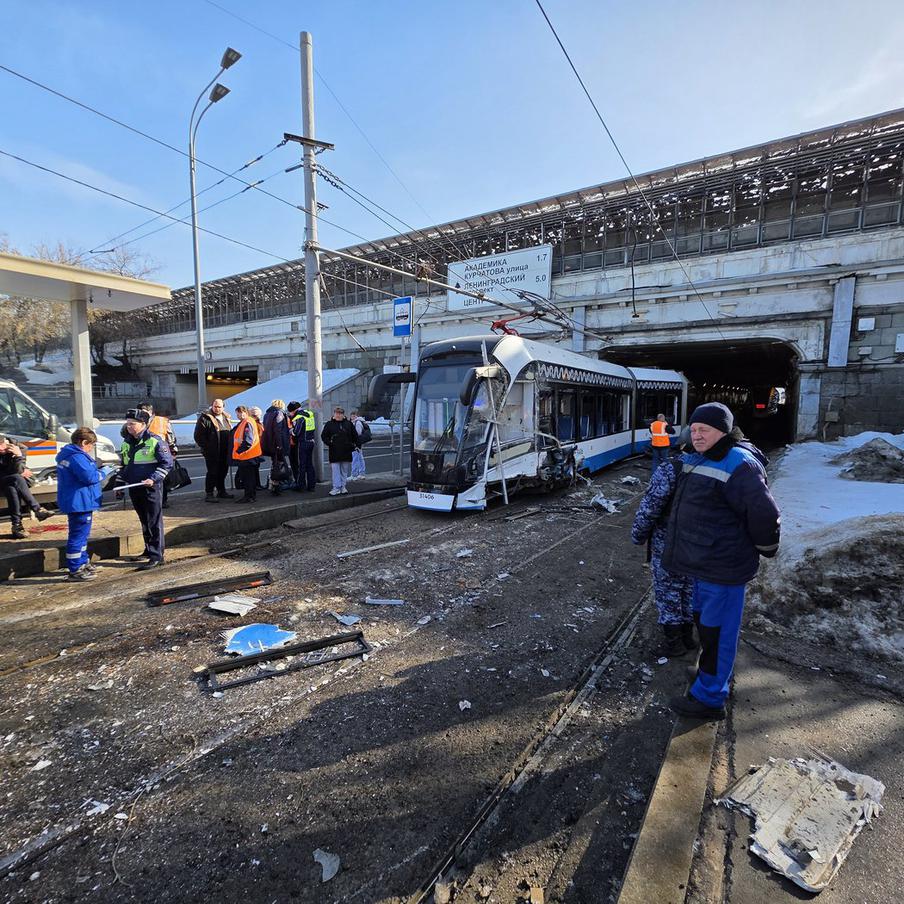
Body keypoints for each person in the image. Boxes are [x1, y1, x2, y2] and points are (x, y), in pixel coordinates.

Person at [661, 402, 781, 720]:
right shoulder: (703, 456)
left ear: (723, 432)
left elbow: (764, 513)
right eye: (695, 429)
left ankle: (710, 698)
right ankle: (708, 677)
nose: (697, 435)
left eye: (705, 430)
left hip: (723, 568)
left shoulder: (738, 463)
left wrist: (767, 546)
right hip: (705, 564)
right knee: (707, 627)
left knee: (719, 633)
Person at [631, 451, 695, 656]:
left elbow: (649, 509)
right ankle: (688, 637)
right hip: (699, 546)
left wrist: (638, 536)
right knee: (689, 590)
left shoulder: (671, 469)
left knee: (669, 592)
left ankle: (674, 644)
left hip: (669, 545)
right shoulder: (717, 469)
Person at [117, 408, 172, 570]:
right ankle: (149, 549)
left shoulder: (155, 441)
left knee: (154, 521)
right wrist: (119, 485)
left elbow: (166, 464)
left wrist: (153, 479)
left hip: (151, 487)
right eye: (127, 424)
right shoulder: (127, 443)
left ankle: (157, 555)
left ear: (143, 424)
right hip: (135, 487)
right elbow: (125, 466)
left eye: (132, 424)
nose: (129, 427)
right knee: (144, 520)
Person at [56, 427, 107, 581]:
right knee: (78, 536)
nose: (91, 448)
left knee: (82, 535)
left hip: (76, 500)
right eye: (91, 445)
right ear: (84, 442)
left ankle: (82, 561)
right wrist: (105, 472)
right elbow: (89, 477)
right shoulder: (77, 457)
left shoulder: (67, 454)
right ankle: (75, 568)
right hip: (80, 502)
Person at [121, 403, 179, 508]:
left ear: (151, 412)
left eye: (144, 412)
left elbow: (170, 436)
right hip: (139, 459)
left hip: (159, 453)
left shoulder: (161, 421)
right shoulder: (132, 425)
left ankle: (163, 500)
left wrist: (173, 451)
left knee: (161, 480)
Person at [0, 434, 54, 539]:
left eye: (2, 444)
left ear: (6, 442)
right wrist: (17, 470)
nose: (1, 448)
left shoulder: (20, 448)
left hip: (12, 483)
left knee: (12, 488)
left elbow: (17, 470)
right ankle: (37, 509)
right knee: (16, 479)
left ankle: (17, 526)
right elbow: (15, 472)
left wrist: (18, 455)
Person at [193, 399, 233, 503]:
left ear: (223, 407)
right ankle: (209, 493)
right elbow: (198, 436)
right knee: (212, 472)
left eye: (219, 407)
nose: (217, 408)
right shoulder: (205, 418)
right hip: (212, 452)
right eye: (215, 406)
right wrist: (207, 448)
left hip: (224, 451)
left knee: (223, 472)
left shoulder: (226, 417)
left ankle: (221, 491)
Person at [321, 406, 359, 496]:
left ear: (343, 414)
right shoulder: (329, 424)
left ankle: (343, 486)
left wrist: (355, 445)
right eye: (337, 413)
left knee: (344, 470)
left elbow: (355, 436)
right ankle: (336, 487)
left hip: (346, 450)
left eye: (340, 413)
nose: (338, 415)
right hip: (334, 450)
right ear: (334, 414)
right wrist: (329, 443)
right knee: (335, 471)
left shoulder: (348, 424)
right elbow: (324, 436)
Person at [232, 405, 263, 504]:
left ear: (245, 412)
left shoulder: (247, 422)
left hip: (247, 455)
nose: (238, 416)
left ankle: (248, 497)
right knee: (251, 478)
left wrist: (238, 451)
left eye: (239, 413)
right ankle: (251, 496)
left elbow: (248, 441)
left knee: (247, 478)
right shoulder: (248, 421)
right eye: (237, 414)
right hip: (251, 455)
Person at [262, 399, 291, 495]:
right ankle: (276, 486)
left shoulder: (267, 414)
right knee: (278, 465)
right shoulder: (279, 413)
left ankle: (272, 484)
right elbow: (278, 430)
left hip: (269, 443)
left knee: (275, 464)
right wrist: (280, 445)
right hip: (277, 444)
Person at [287, 401, 317, 492]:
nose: (290, 414)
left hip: (302, 443)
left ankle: (301, 486)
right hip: (311, 441)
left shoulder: (299, 417)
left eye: (290, 412)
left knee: (301, 465)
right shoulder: (309, 413)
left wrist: (290, 430)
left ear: (294, 410)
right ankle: (311, 486)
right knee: (309, 465)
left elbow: (296, 432)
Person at [349, 411, 368, 480]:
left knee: (355, 458)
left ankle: (354, 475)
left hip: (356, 442)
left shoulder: (357, 422)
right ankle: (361, 474)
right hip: (357, 442)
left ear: (357, 416)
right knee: (359, 457)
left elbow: (358, 433)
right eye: (352, 416)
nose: (352, 417)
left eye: (354, 416)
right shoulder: (355, 422)